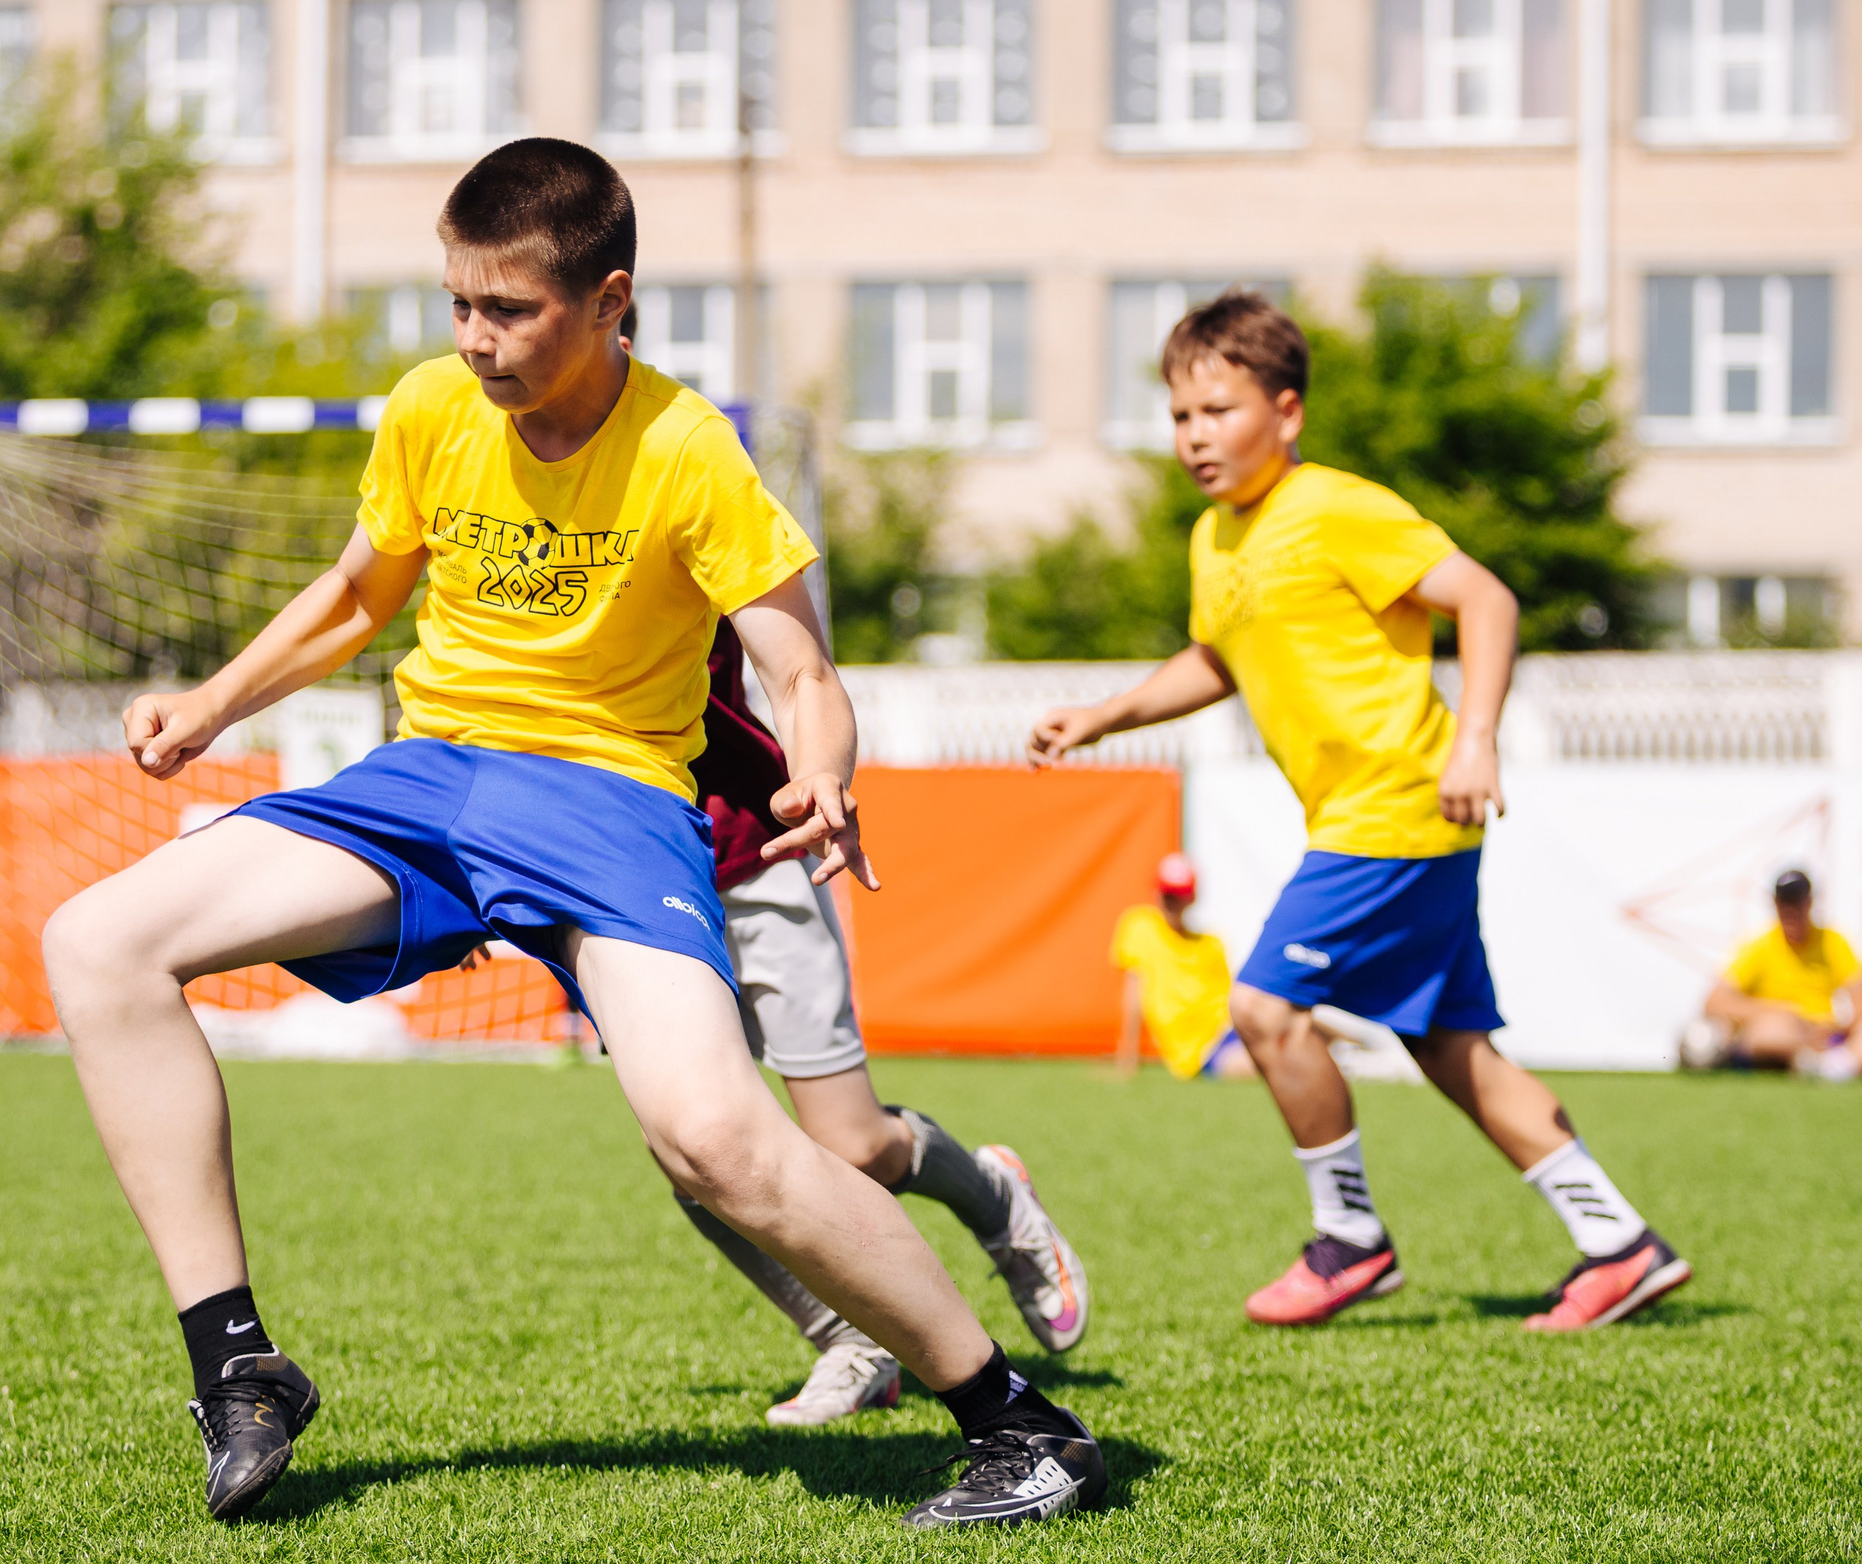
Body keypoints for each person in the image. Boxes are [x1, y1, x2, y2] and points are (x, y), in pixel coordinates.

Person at [42, 139, 1102, 1530]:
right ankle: (238, 1366)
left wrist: (827, 776)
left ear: (609, 300)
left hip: (611, 802)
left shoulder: (689, 447)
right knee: (98, 940)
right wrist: (211, 700)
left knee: (715, 1140)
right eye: (458, 305)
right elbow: (361, 594)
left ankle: (1023, 1428)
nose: (474, 341)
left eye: (510, 311)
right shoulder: (429, 408)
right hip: (430, 783)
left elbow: (806, 674)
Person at [1027, 290, 1691, 1334]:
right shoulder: (1214, 541)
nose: (1195, 436)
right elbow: (1217, 657)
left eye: (1219, 409)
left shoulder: (1336, 506)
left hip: (1399, 804)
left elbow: (1486, 599)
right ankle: (1619, 1244)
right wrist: (1106, 714)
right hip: (1365, 817)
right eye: (1178, 416)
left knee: (1261, 1009)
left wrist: (1474, 738)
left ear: (1285, 413)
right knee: (1451, 1048)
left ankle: (1350, 1241)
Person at [676, 619, 1090, 1427]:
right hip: (618, 876)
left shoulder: (690, 502)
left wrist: (822, 775)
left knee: (853, 1143)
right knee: (692, 1149)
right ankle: (853, 1341)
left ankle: (993, 1195)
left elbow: (802, 669)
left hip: (751, 851)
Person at [1688, 869, 1859, 1078]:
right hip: (1782, 1035)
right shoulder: (1760, 946)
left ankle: (1833, 1065)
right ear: (1775, 904)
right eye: (1784, 903)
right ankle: (1816, 1063)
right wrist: (1781, 1011)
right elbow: (1714, 1002)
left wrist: (1836, 1028)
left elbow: (1858, 995)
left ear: (1810, 902)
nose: (1790, 910)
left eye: (1797, 902)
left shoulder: (1833, 942)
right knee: (1769, 1033)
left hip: (1828, 1036)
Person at [1112, 852, 1254, 1081]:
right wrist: (1127, 1059)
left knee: (1298, 1028)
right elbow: (1134, 996)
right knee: (1264, 1062)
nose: (1171, 901)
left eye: (1178, 894)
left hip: (1231, 1029)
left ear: (1191, 897)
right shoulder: (1140, 927)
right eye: (1167, 893)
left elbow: (1234, 997)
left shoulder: (1212, 942)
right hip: (1200, 1052)